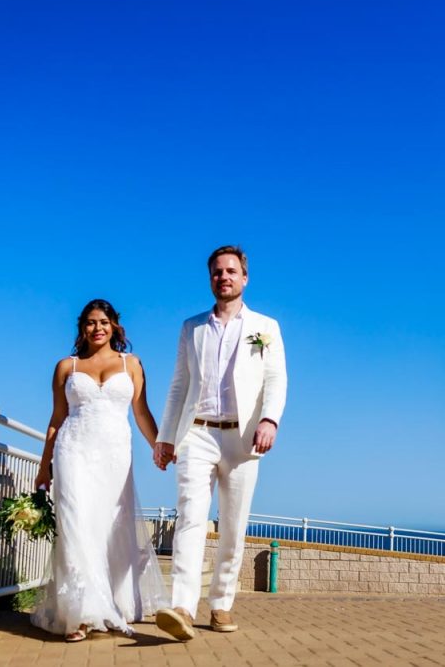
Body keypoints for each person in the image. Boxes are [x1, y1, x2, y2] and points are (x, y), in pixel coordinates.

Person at [153, 245, 287, 640]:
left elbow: (276, 380)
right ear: (210, 278)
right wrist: (165, 436)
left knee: (233, 526)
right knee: (190, 518)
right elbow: (178, 385)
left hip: (244, 439)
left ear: (244, 278)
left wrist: (269, 419)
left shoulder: (267, 327)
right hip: (196, 433)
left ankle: (221, 605)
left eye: (230, 271)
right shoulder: (191, 327)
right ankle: (181, 605)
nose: (223, 277)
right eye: (216, 272)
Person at [32, 299, 168, 641]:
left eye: (103, 322)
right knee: (76, 524)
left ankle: (108, 602)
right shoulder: (67, 367)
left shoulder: (131, 364)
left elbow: (141, 413)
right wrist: (44, 464)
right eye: (91, 323)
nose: (97, 328)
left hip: (114, 454)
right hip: (73, 449)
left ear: (115, 326)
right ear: (82, 328)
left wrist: (159, 447)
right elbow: (56, 419)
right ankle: (79, 614)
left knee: (108, 529)